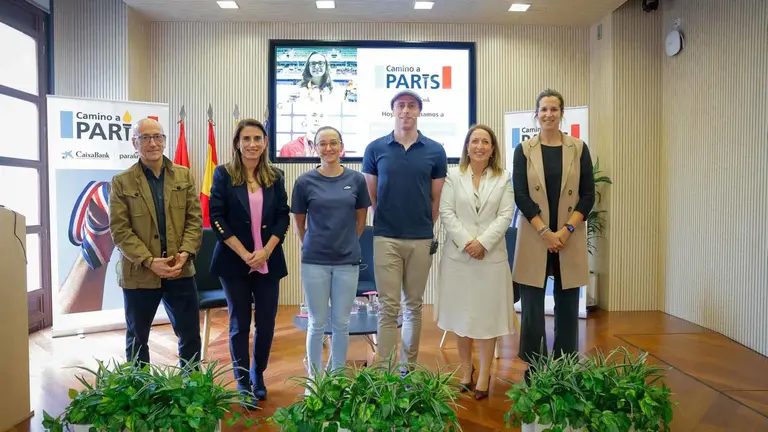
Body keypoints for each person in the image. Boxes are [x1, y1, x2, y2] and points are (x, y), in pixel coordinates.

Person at [511, 89, 595, 382]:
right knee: (532, 306)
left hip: (568, 237)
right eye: (543, 109)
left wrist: (567, 230)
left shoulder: (579, 148)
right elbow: (521, 195)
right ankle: (534, 366)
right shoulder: (523, 150)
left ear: (562, 114)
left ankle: (565, 367)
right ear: (536, 114)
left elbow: (588, 195)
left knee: (568, 305)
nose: (548, 115)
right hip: (536, 235)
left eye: (554, 110)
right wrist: (545, 232)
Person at [362, 89, 448, 367]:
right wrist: (388, 221)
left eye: (412, 106)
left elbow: (436, 199)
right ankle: (386, 375)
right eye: (401, 106)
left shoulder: (435, 151)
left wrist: (423, 227)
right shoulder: (375, 149)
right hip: (385, 237)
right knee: (388, 308)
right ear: (393, 111)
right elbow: (372, 196)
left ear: (419, 111)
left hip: (420, 239)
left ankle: (406, 370)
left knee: (413, 306)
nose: (406, 111)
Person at [208, 118, 290, 406]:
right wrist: (245, 254)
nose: (252, 144)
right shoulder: (223, 174)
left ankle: (259, 373)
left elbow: (283, 216)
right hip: (234, 262)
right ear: (237, 143)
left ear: (265, 142)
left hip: (268, 260)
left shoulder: (275, 176)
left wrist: (265, 251)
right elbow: (215, 216)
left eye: (258, 138)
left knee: (266, 323)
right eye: (247, 139)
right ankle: (242, 380)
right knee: (239, 323)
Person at [109, 118, 202, 367]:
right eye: (145, 138)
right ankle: (141, 394)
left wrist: (184, 254)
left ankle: (192, 390)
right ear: (134, 143)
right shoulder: (121, 182)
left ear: (164, 140)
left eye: (157, 137)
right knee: (138, 338)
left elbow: (195, 219)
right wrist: (150, 261)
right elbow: (120, 230)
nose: (152, 143)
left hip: (179, 269)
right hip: (139, 274)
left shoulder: (183, 175)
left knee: (190, 335)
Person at [437, 124, 518, 400]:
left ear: (492, 148)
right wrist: (466, 242)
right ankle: (465, 370)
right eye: (475, 141)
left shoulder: (503, 178)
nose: (479, 146)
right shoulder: (452, 175)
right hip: (459, 258)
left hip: (490, 257)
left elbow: (506, 215)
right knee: (462, 317)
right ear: (467, 146)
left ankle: (484, 374)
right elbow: (446, 211)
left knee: (486, 318)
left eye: (485, 141)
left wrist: (482, 243)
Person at [291, 126, 370, 376]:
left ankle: (336, 378)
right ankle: (314, 381)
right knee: (316, 324)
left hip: (347, 261)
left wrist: (343, 243)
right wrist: (314, 244)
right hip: (314, 262)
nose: (328, 148)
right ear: (315, 148)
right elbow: (299, 224)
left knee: (342, 323)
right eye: (322, 143)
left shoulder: (356, 180)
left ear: (341, 146)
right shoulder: (304, 182)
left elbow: (360, 222)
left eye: (333, 143)